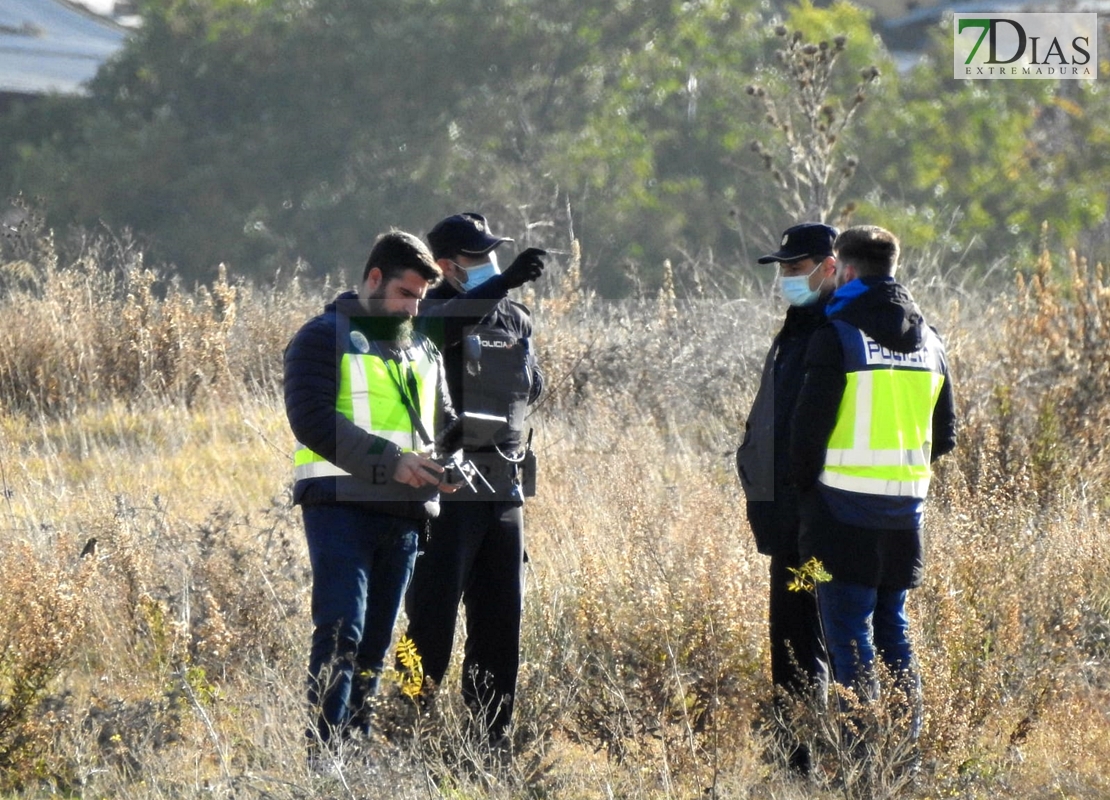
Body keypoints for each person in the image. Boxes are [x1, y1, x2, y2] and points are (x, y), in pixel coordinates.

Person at [283, 230, 459, 753]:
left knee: (377, 644)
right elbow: (312, 420)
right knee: (341, 630)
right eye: (406, 294)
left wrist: (452, 462)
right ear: (374, 278)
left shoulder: (423, 347)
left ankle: (354, 751)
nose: (412, 307)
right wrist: (392, 462)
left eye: (420, 299)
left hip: (405, 515)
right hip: (340, 507)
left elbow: (445, 423)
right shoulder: (320, 336)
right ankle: (323, 754)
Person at [790, 225, 956, 751]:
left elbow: (806, 433)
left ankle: (862, 758)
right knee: (893, 630)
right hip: (906, 512)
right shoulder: (931, 341)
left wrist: (800, 492)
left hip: (840, 512)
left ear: (846, 268)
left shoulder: (836, 334)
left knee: (848, 637)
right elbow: (945, 435)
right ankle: (904, 753)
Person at [402, 211, 547, 748]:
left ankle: (489, 744)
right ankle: (405, 730)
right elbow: (437, 330)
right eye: (477, 258)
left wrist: (507, 303)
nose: (491, 265)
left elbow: (532, 387)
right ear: (444, 267)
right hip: (448, 491)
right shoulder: (429, 312)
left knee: (499, 626)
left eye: (495, 256)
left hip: (503, 493)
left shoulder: (515, 318)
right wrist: (502, 285)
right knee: (431, 622)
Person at [736, 222, 836, 774]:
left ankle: (834, 756)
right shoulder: (799, 325)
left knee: (829, 639)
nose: (787, 279)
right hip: (789, 518)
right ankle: (795, 761)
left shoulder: (836, 328)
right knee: (793, 643)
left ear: (830, 266)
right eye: (783, 269)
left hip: (824, 515)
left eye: (796, 269)